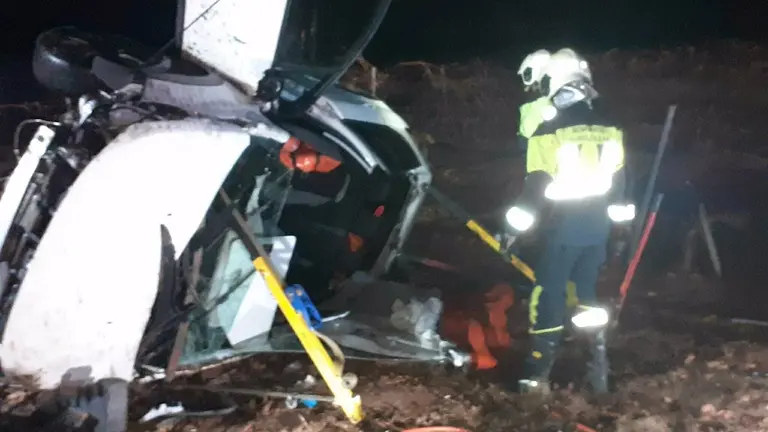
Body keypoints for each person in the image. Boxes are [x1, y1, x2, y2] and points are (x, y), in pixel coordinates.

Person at [503, 47, 635, 395]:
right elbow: (622, 187)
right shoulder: (611, 129)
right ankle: (598, 373)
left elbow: (535, 189)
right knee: (588, 297)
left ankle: (535, 378)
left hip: (561, 230)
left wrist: (510, 231)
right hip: (597, 232)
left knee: (548, 296)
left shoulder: (547, 132)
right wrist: (620, 232)